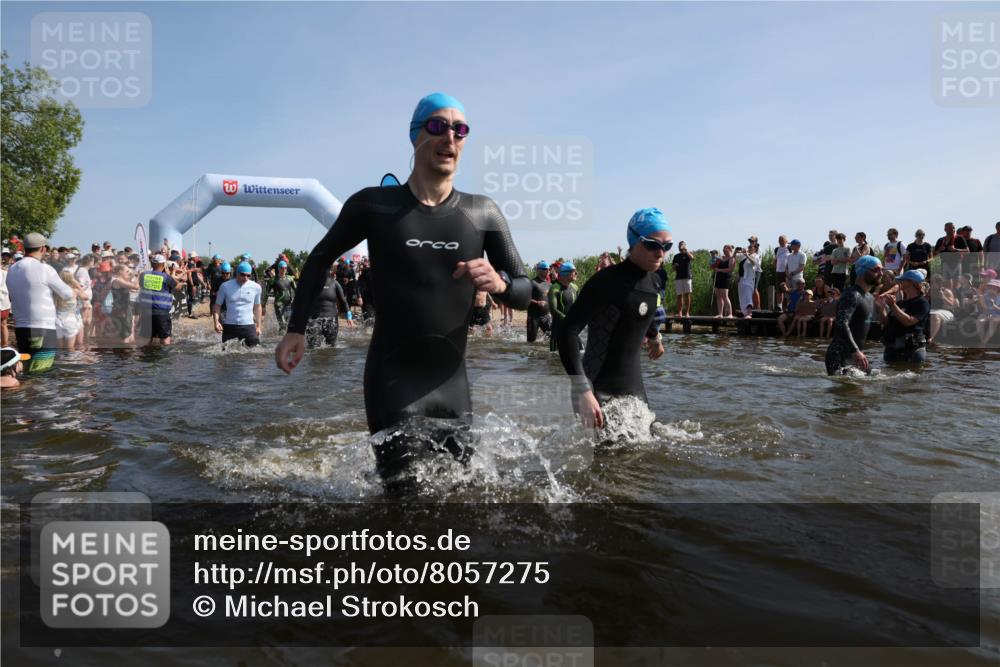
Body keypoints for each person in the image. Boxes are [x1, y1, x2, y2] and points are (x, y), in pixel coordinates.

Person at [275, 92, 531, 488]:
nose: (450, 137)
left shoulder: (483, 213)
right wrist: (295, 329)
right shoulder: (374, 206)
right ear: (415, 137)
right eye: (438, 126)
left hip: (454, 387)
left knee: (463, 499)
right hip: (393, 383)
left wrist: (500, 284)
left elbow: (527, 290)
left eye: (460, 130)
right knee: (406, 500)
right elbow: (319, 259)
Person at [556, 208, 668, 430]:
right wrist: (583, 391)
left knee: (645, 455)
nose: (660, 252)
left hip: (634, 389)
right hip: (596, 388)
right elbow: (567, 331)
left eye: (666, 246)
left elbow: (639, 314)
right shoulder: (606, 281)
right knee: (602, 461)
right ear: (634, 241)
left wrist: (655, 337)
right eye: (653, 244)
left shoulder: (654, 282)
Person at [5, 233, 74, 372]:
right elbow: (67, 294)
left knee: (27, 370)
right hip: (43, 328)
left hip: (21, 328)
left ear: (25, 248)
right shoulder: (44, 268)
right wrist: (76, 289)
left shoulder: (12, 269)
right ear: (43, 249)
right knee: (41, 374)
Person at [824, 255, 881, 375]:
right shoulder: (852, 295)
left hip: (856, 355)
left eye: (882, 270)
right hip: (839, 355)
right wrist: (855, 350)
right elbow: (841, 323)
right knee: (848, 392)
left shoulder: (870, 297)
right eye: (876, 270)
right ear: (862, 271)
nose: (881, 273)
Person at [878, 270, 931, 364]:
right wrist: (882, 307)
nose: (899, 283)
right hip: (894, 348)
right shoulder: (900, 303)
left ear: (911, 282)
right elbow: (886, 323)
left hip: (912, 349)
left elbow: (909, 321)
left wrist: (893, 306)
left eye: (902, 280)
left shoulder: (922, 302)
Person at [214, 261, 262, 347]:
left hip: (248, 326)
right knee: (224, 357)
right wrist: (216, 322)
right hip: (230, 326)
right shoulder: (225, 286)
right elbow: (217, 305)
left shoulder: (256, 287)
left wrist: (258, 326)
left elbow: (257, 307)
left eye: (248, 275)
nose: (246, 278)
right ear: (237, 273)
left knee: (255, 356)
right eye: (243, 275)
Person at [136, 254, 179, 346]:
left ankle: (144, 358)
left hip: (146, 311)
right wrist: (168, 272)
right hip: (161, 313)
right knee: (165, 340)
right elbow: (177, 286)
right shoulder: (166, 277)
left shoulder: (144, 275)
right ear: (163, 265)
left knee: (146, 339)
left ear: (152, 264)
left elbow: (140, 284)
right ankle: (164, 358)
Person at [305, 264, 351, 349]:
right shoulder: (311, 283)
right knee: (313, 347)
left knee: (331, 347)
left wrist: (349, 316)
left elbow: (343, 301)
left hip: (331, 320)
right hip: (314, 319)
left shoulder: (334, 283)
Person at [548, 261, 579, 352]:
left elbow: (578, 307)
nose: (576, 273)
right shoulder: (555, 288)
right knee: (553, 357)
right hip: (558, 329)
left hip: (572, 329)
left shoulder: (575, 287)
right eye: (574, 271)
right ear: (566, 274)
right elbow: (553, 309)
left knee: (581, 352)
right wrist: (567, 319)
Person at [264, 260, 297, 333]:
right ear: (278, 269)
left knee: (288, 324)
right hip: (279, 305)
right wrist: (263, 305)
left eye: (285, 268)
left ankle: (279, 339)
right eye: (282, 268)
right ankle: (282, 340)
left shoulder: (290, 278)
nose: (284, 269)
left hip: (289, 304)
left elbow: (296, 290)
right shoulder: (272, 280)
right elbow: (266, 293)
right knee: (283, 324)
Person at [932, 222, 968, 287]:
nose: (953, 229)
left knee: (956, 286)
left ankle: (956, 296)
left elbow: (967, 251)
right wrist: (939, 250)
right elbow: (933, 255)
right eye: (950, 228)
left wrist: (955, 250)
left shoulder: (959, 238)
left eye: (953, 228)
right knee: (947, 285)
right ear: (945, 230)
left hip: (956, 264)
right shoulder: (941, 240)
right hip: (944, 264)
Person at [526, 261, 551, 343]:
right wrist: (537, 302)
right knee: (531, 341)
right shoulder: (532, 283)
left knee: (552, 338)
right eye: (545, 269)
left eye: (548, 269)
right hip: (533, 317)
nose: (547, 271)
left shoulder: (549, 284)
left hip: (546, 317)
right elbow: (525, 297)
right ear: (538, 270)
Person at [736, 244, 761, 318]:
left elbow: (754, 263)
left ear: (755, 249)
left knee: (748, 296)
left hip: (749, 280)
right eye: (748, 247)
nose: (749, 248)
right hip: (742, 279)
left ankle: (749, 313)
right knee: (742, 297)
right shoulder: (743, 256)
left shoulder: (756, 256)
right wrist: (735, 251)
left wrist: (747, 255)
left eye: (750, 247)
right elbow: (737, 262)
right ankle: (745, 313)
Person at [672, 241, 694, 316]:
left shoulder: (688, 254)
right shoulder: (676, 256)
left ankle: (687, 312)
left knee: (687, 295)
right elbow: (673, 269)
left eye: (682, 245)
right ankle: (680, 312)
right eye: (680, 245)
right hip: (678, 278)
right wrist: (675, 266)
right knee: (679, 295)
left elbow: (692, 258)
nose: (680, 247)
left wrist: (685, 250)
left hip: (687, 277)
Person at [713, 245, 734, 317]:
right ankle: (720, 314)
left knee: (725, 296)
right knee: (718, 296)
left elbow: (730, 269)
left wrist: (719, 270)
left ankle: (730, 314)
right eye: (723, 249)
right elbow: (713, 266)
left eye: (724, 249)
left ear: (729, 249)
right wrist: (714, 261)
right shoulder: (721, 258)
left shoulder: (732, 258)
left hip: (725, 278)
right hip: (718, 278)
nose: (723, 251)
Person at [977, 279, 1000, 346]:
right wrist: (987, 314)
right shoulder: (985, 296)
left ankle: (983, 343)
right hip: (988, 314)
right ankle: (983, 341)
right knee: (979, 321)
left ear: (997, 288)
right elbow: (984, 309)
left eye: (993, 287)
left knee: (993, 322)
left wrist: (994, 306)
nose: (991, 288)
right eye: (990, 287)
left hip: (998, 315)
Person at [774, 235, 789, 310]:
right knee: (779, 290)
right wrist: (775, 266)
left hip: (787, 272)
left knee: (786, 289)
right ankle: (779, 305)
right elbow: (775, 259)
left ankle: (787, 306)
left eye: (782, 240)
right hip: (778, 271)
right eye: (779, 240)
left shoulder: (789, 248)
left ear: (786, 240)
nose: (780, 241)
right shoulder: (777, 249)